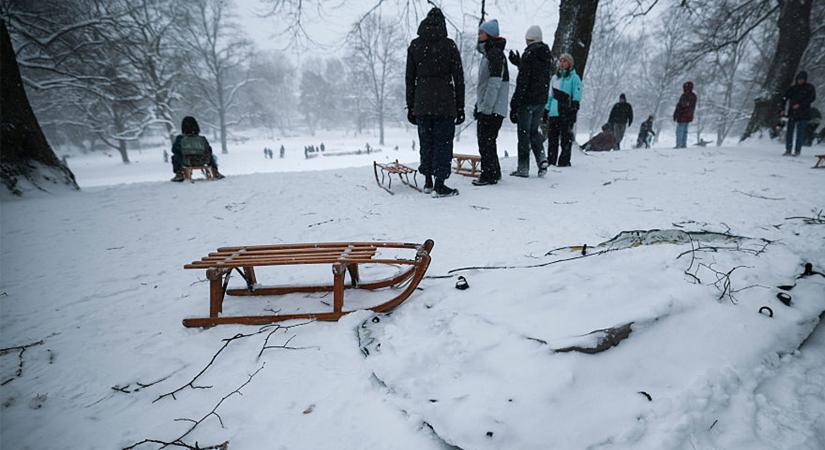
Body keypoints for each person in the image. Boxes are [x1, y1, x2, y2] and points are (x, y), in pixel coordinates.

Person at [406, 7, 464, 197]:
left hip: (422, 102)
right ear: (443, 24)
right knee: (443, 143)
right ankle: (440, 183)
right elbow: (459, 78)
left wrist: (411, 105)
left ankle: (428, 182)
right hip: (445, 102)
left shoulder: (415, 45)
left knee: (426, 142)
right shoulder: (449, 45)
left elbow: (409, 78)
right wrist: (460, 106)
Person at [508, 25, 551, 177]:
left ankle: (523, 168)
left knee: (523, 134)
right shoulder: (545, 55)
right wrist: (519, 63)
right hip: (540, 100)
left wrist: (514, 104)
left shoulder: (529, 55)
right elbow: (536, 73)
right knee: (533, 131)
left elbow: (523, 82)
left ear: (529, 39)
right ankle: (541, 159)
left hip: (526, 101)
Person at [472, 19, 509, 186]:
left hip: (493, 108)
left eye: (481, 32)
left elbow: (494, 84)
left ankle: (489, 175)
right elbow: (484, 85)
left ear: (490, 34)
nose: (479, 35)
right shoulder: (490, 53)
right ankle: (494, 171)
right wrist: (478, 105)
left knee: (485, 140)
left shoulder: (494, 54)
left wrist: (485, 109)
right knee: (488, 140)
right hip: (490, 106)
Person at [544, 53, 582, 167]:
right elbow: (550, 95)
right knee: (552, 138)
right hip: (554, 112)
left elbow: (577, 93)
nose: (562, 63)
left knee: (565, 138)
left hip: (566, 111)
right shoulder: (555, 78)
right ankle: (551, 160)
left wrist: (574, 108)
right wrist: (546, 109)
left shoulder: (574, 78)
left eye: (565, 61)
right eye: (560, 61)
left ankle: (564, 161)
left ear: (570, 63)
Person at [170, 116, 224, 182]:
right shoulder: (202, 138)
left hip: (187, 161)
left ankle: (179, 173)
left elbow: (174, 150)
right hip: (202, 160)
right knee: (212, 155)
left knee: (175, 156)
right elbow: (209, 150)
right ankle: (215, 171)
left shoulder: (180, 138)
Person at [782, 71, 816, 156]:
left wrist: (800, 105)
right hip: (792, 113)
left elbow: (811, 98)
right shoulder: (793, 89)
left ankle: (797, 151)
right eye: (799, 79)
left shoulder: (809, 88)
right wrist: (782, 109)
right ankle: (788, 149)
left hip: (803, 114)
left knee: (800, 133)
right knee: (789, 132)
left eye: (802, 79)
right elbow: (784, 98)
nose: (800, 81)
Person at [673, 81, 697, 149]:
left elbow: (681, 105)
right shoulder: (693, 96)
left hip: (682, 116)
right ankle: (683, 144)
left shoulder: (686, 95)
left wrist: (677, 113)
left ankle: (679, 144)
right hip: (688, 116)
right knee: (684, 131)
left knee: (679, 131)